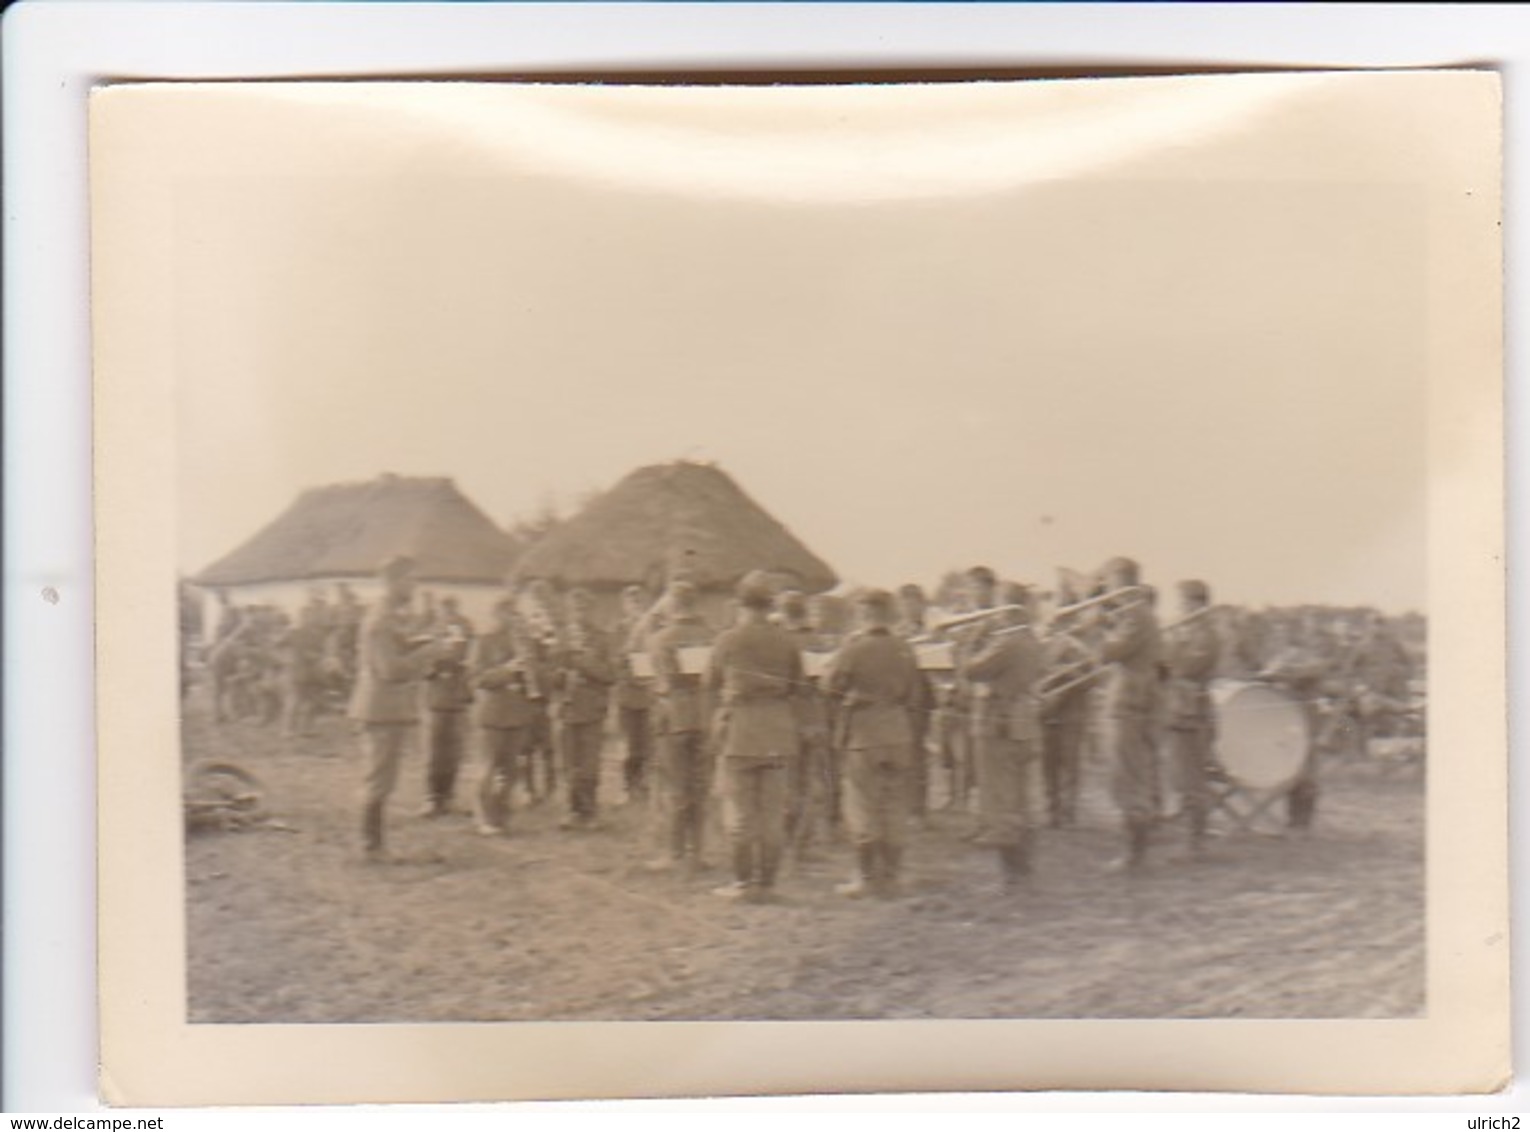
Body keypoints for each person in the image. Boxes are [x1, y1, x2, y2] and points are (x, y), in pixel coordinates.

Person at [705, 573, 804, 902]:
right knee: (772, 813)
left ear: (740, 604)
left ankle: (743, 884)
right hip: (777, 729)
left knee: (741, 812)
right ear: (770, 605)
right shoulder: (787, 640)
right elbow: (795, 685)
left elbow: (710, 683)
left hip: (741, 731)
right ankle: (769, 883)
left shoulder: (727, 640)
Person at [348, 555, 449, 860]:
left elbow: (400, 648)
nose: (414, 587)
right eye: (410, 580)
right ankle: (371, 847)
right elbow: (389, 669)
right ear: (392, 582)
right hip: (380, 709)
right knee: (379, 779)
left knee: (384, 778)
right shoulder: (380, 620)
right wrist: (429, 652)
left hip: (388, 708)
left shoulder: (390, 615)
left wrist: (422, 645)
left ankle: (374, 844)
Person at [825, 589, 921, 898]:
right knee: (894, 805)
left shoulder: (854, 648)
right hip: (898, 731)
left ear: (863, 614)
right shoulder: (905, 648)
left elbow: (830, 686)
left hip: (864, 735)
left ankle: (866, 878)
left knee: (862, 806)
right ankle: (892, 877)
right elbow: (914, 695)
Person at [960, 584, 1045, 888]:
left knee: (1000, 800)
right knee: (1020, 800)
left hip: (999, 724)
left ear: (1007, 607)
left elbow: (972, 670)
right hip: (1022, 725)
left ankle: (1013, 876)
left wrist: (972, 639)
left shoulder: (1007, 642)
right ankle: (1024, 869)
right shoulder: (1033, 640)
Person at [1096, 556, 1163, 871]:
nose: (1104, 587)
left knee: (1127, 779)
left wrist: (1097, 626)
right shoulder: (1134, 613)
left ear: (1120, 579)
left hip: (1128, 703)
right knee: (1126, 776)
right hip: (1130, 701)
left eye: (1107, 580)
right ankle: (1135, 851)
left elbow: (1110, 651)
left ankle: (1135, 855)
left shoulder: (1135, 613)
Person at [646, 581, 716, 872]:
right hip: (702, 715)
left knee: (675, 785)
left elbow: (660, 677)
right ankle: (697, 852)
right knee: (699, 785)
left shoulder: (661, 638)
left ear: (671, 605)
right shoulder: (710, 636)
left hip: (673, 716)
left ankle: (673, 854)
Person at [469, 599, 539, 836]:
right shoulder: (484, 641)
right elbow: (477, 678)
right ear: (496, 615)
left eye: (515, 614)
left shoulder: (524, 643)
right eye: (507, 614)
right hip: (492, 714)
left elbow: (536, 677)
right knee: (488, 769)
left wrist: (531, 673)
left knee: (511, 770)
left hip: (517, 714)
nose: (512, 619)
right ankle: (485, 818)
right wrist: (508, 670)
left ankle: (501, 815)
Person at [775, 589, 835, 861]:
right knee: (810, 782)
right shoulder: (818, 641)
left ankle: (788, 839)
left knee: (788, 782)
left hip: (787, 719)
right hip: (814, 718)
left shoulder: (779, 641)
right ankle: (804, 841)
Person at [1161, 580, 1221, 855]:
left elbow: (1184, 667)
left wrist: (1168, 649)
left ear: (1197, 603)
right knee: (1181, 778)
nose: (1180, 608)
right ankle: (1190, 839)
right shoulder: (1188, 632)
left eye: (1183, 602)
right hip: (1180, 712)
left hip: (1193, 714)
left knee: (1194, 780)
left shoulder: (1206, 635)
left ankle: (1196, 843)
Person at [552, 587, 617, 830]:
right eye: (575, 609)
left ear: (591, 610)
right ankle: (572, 810)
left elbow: (610, 674)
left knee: (590, 762)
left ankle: (590, 812)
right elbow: (549, 676)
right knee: (569, 762)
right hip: (567, 708)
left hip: (592, 709)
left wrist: (583, 662)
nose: (579, 614)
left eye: (584, 608)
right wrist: (559, 675)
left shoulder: (602, 638)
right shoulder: (561, 638)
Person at [419, 616, 475, 818]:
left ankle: (449, 797)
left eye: (459, 641)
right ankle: (432, 798)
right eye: (449, 639)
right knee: (435, 756)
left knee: (453, 756)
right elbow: (425, 672)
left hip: (457, 710)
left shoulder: (465, 664)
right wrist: (440, 657)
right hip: (436, 709)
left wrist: (463, 668)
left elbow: (470, 691)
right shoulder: (434, 659)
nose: (454, 645)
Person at [894, 583, 938, 822]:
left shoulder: (934, 631)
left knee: (918, 754)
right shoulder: (896, 632)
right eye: (905, 604)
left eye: (914, 603)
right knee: (901, 753)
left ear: (922, 605)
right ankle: (903, 804)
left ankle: (918, 808)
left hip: (922, 698)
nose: (909, 608)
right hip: (900, 699)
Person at [613, 583, 657, 805]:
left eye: (640, 601)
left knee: (648, 744)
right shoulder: (620, 630)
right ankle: (628, 786)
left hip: (648, 695)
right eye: (632, 602)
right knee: (629, 745)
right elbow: (617, 661)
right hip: (628, 694)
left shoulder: (654, 628)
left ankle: (644, 784)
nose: (636, 606)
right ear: (624, 606)